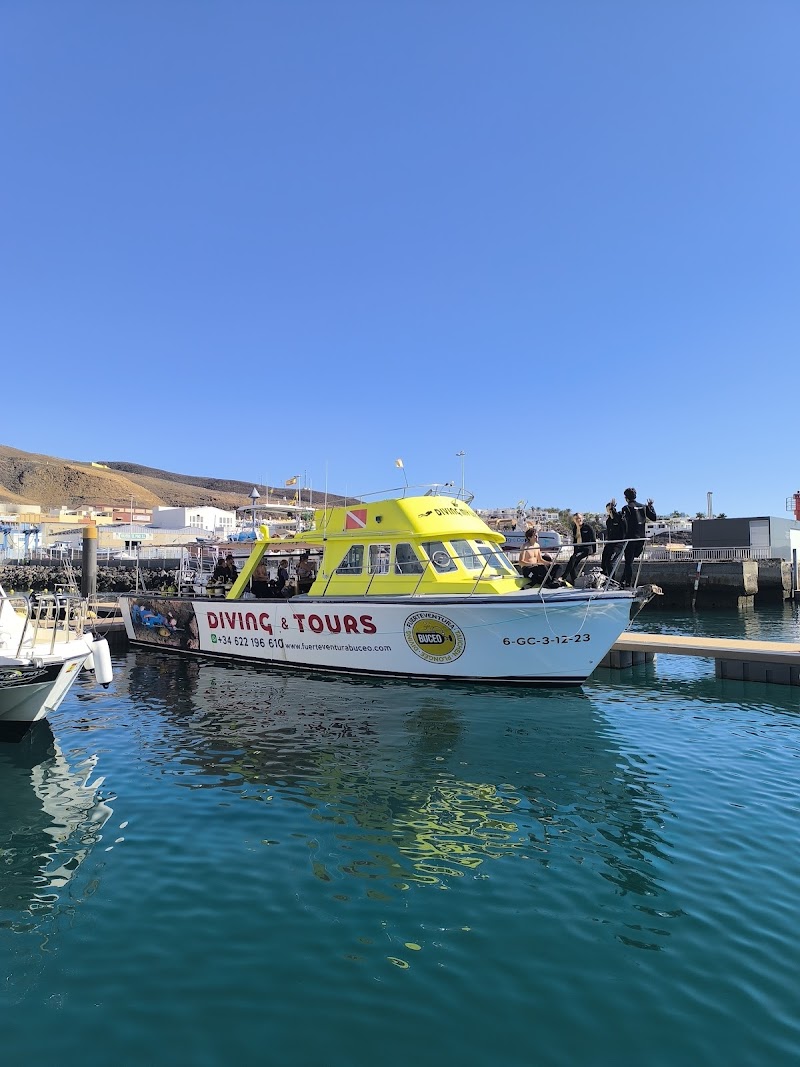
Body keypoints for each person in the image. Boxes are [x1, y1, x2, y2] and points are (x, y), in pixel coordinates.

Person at [620, 487, 657, 587]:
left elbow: (622, 523)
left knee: (628, 562)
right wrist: (651, 507)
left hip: (631, 539)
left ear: (626, 498)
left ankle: (628, 584)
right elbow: (654, 517)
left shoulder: (626, 508)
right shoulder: (643, 507)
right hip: (641, 539)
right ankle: (622, 581)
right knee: (630, 561)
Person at [561, 512, 597, 586]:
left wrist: (594, 551)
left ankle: (564, 576)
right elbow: (575, 541)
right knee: (573, 564)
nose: (578, 520)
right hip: (579, 549)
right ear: (574, 520)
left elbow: (593, 539)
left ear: (582, 518)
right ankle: (575, 582)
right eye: (577, 519)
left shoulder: (588, 527)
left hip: (587, 548)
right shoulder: (575, 528)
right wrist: (575, 552)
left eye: (580, 518)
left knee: (573, 559)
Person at [601, 499, 626, 578]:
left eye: (610, 509)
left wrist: (613, 510)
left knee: (610, 561)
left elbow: (619, 520)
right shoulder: (608, 521)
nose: (609, 510)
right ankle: (603, 578)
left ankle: (612, 580)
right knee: (604, 560)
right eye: (608, 509)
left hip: (618, 544)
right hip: (610, 543)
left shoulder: (619, 516)